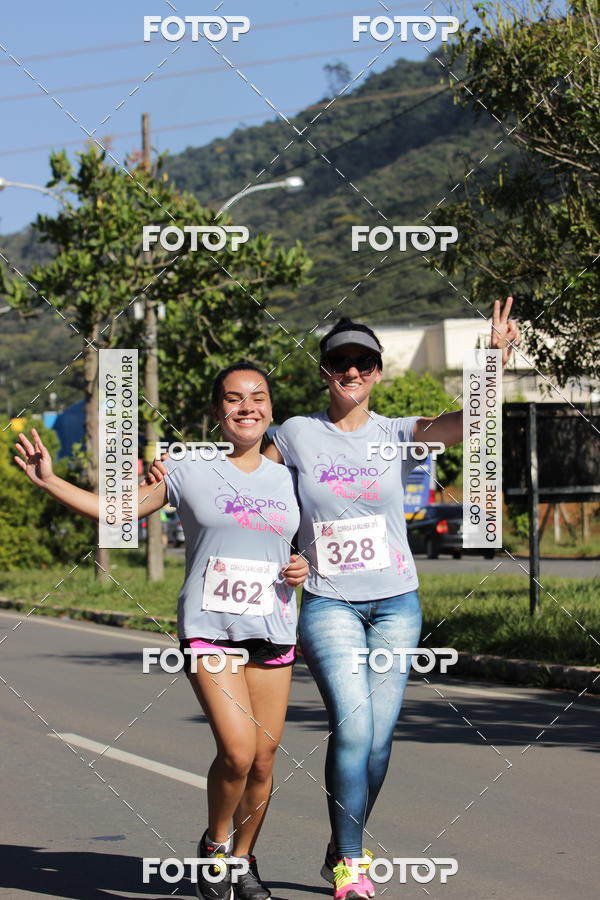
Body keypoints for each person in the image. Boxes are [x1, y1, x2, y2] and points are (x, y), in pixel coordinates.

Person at [14, 363, 308, 900]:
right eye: (234, 398)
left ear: (271, 406)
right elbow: (115, 512)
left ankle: (243, 863)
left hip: (274, 626)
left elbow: (306, 545)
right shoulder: (188, 468)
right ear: (217, 410)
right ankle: (216, 849)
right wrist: (51, 480)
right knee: (238, 752)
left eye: (258, 397)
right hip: (209, 628)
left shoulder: (291, 477)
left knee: (264, 763)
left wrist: (302, 565)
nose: (247, 407)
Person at [262, 299, 519, 900]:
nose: (351, 371)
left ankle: (340, 845)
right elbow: (247, 483)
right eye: (339, 362)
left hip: (397, 604)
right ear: (324, 371)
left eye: (363, 362)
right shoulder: (297, 433)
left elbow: (471, 422)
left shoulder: (396, 433)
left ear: (378, 372)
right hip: (329, 604)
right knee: (353, 727)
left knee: (380, 739)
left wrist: (494, 362)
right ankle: (352, 864)